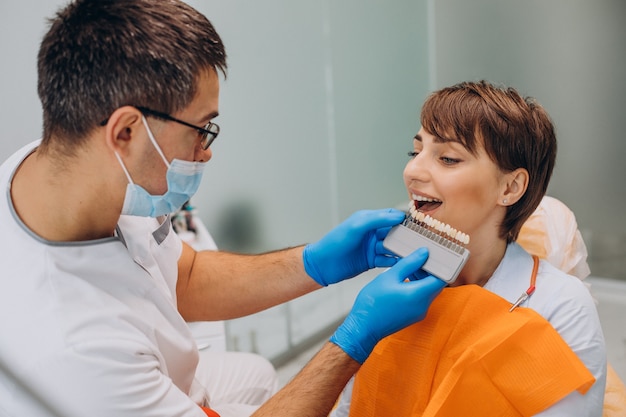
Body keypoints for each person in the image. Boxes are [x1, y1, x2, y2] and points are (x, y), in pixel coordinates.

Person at [0, 1, 447, 417]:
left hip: (155, 368)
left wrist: (316, 262)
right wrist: (356, 338)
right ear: (126, 132)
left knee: (253, 375)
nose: (205, 151)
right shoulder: (75, 351)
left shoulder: (74, 162)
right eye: (201, 128)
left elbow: (185, 278)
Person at [330, 81, 607, 416]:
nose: (412, 171)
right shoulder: (393, 291)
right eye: (415, 152)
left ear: (510, 187)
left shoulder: (560, 306)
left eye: (447, 158)